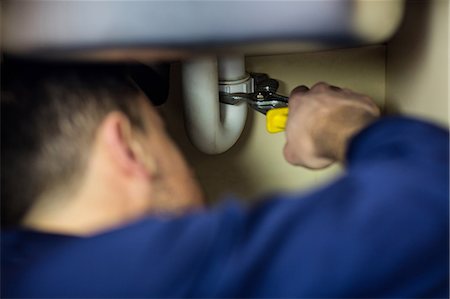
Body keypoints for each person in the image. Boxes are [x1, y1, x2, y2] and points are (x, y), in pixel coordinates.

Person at [1, 64, 448, 298]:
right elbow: (436, 197)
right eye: (164, 132)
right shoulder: (132, 278)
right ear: (129, 149)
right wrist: (338, 124)